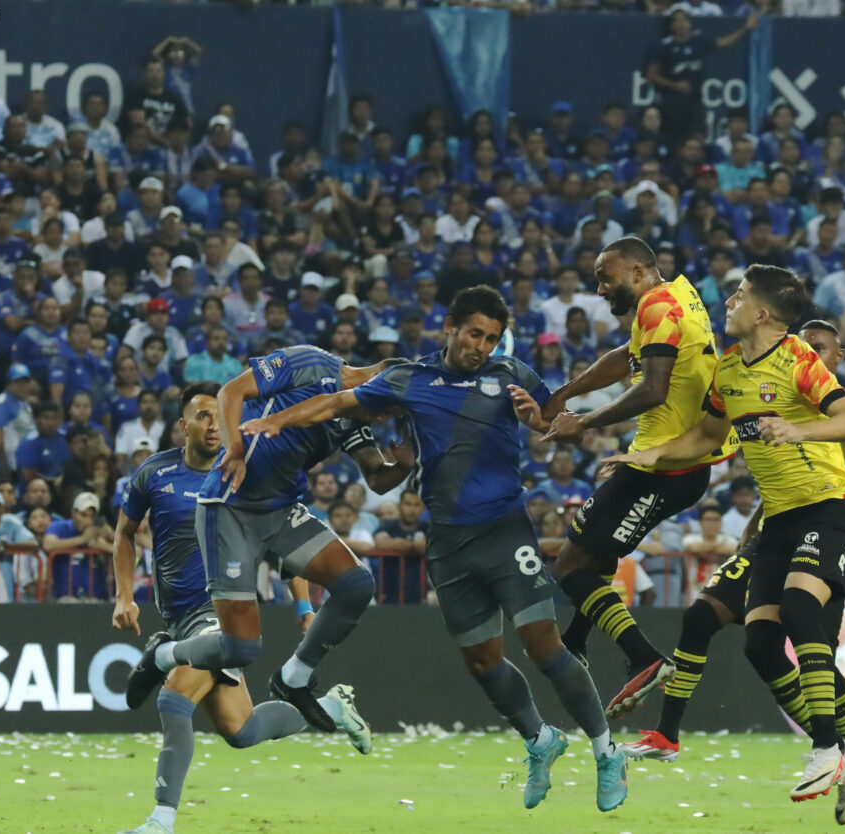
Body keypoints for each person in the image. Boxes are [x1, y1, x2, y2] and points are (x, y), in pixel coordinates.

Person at [238, 286, 628, 812]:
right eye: (474, 334)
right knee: (484, 662)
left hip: (505, 530)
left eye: (491, 338)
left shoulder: (510, 374)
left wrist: (546, 421)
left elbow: (559, 429)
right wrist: (274, 420)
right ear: (449, 327)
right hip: (447, 542)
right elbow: (337, 403)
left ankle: (606, 753)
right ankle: (540, 741)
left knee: (542, 645)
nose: (481, 347)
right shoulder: (408, 380)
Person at [603, 266, 845, 820]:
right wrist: (652, 455)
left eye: (740, 295)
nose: (729, 300)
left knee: (800, 609)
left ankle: (831, 749)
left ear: (763, 314)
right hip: (776, 521)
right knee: (757, 644)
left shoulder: (798, 358)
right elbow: (706, 436)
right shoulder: (728, 369)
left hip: (832, 507)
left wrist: (799, 429)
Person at [112, 382, 369, 834]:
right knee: (242, 730)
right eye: (203, 416)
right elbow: (123, 533)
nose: (214, 425)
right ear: (183, 424)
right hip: (178, 617)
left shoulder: (248, 473)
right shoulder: (153, 474)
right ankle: (332, 707)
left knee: (174, 699)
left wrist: (304, 604)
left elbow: (283, 537)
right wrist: (123, 594)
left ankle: (160, 821)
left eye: (219, 415)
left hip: (219, 611)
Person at [124, 346, 414, 737]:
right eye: (383, 409)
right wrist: (235, 450)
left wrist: (405, 466)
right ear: (375, 381)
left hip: (280, 511)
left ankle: (294, 678)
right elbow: (231, 392)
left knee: (357, 584)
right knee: (242, 650)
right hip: (231, 507)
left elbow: (377, 478)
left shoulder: (350, 418)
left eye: (390, 416)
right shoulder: (311, 362)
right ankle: (163, 655)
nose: (381, 419)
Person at [516, 236, 739, 717]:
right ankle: (575, 643)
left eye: (606, 278)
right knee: (591, 557)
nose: (599, 289)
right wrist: (567, 393)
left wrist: (586, 420)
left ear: (638, 273)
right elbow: (628, 357)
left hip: (665, 468)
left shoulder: (658, 307)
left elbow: (654, 389)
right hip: (663, 463)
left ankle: (644, 660)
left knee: (569, 568)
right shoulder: (677, 293)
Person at [646, 11, 758, 140]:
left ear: (690, 23)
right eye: (677, 20)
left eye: (684, 20)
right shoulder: (664, 46)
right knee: (674, 139)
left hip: (695, 101)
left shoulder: (699, 41)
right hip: (672, 102)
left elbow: (725, 42)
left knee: (699, 138)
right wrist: (675, 86)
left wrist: (746, 29)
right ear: (672, 25)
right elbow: (651, 76)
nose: (681, 24)